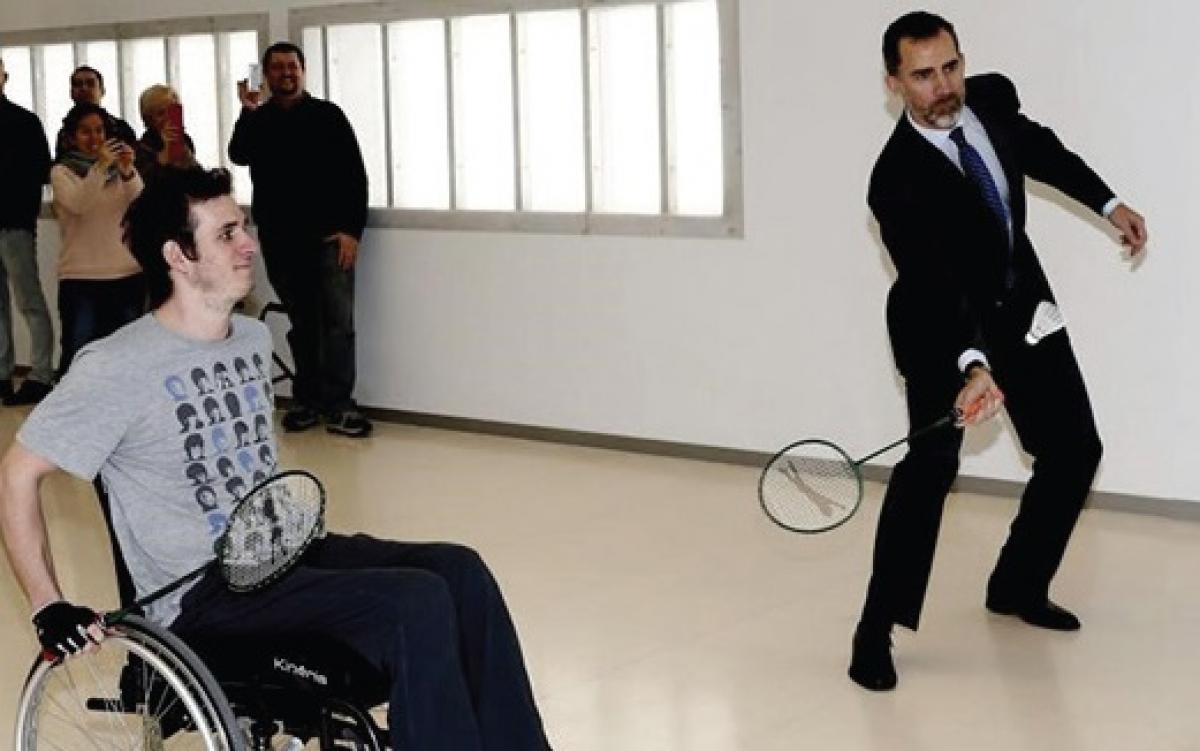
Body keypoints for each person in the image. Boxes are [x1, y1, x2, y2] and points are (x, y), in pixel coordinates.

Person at [0, 166, 552, 750]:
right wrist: (48, 604)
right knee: (413, 601)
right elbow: (17, 473)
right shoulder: (116, 365)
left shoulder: (252, 340)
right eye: (227, 234)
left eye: (244, 228)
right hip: (203, 593)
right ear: (178, 256)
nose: (250, 244)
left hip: (282, 556)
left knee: (459, 570)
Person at [849, 11, 1149, 692]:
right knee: (930, 468)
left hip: (1022, 307)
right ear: (895, 83)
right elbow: (930, 283)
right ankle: (875, 627)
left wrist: (1109, 204)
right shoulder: (893, 180)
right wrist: (971, 365)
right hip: (940, 327)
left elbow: (1040, 150)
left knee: (1075, 448)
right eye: (923, 75)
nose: (943, 84)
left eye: (950, 66)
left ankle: (1016, 583)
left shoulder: (989, 97)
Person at [228, 41, 372, 438]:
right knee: (303, 324)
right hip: (282, 243)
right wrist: (247, 109)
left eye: (292, 66)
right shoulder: (259, 120)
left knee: (338, 326)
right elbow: (237, 154)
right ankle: (308, 400)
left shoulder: (328, 116)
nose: (285, 74)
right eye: (277, 68)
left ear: (303, 70)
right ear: (267, 75)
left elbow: (354, 178)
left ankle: (341, 406)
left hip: (330, 240)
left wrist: (351, 231)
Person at [49, 102, 145, 376]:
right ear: (71, 137)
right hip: (81, 279)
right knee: (80, 356)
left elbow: (139, 203)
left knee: (128, 355)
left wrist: (127, 170)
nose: (95, 139)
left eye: (100, 131)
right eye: (85, 132)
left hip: (127, 275)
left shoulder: (118, 171)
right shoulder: (62, 172)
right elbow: (80, 204)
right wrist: (101, 166)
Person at [0, 57, 55, 405]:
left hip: (14, 223)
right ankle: (2, 373)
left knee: (28, 300)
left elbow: (41, 171)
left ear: (4, 76)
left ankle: (40, 374)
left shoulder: (24, 121)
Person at [54, 66, 137, 159]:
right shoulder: (65, 133)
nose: (84, 88)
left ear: (102, 91)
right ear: (71, 93)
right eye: (78, 84)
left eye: (90, 83)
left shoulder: (121, 128)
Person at [134, 84, 198, 182]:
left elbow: (197, 178)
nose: (167, 118)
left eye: (171, 111)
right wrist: (163, 156)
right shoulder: (141, 149)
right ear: (148, 119)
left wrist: (187, 156)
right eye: (160, 113)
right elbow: (145, 185)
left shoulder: (185, 140)